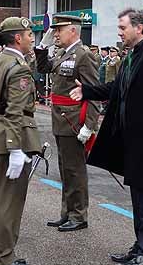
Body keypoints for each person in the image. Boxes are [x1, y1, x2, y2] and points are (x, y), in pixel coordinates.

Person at [69, 8, 143, 265]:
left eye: (122, 28)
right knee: (137, 197)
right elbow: (116, 89)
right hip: (132, 141)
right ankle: (140, 245)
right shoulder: (131, 56)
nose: (119, 33)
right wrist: (86, 91)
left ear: (139, 28)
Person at [0, 17, 42, 265]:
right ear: (18, 38)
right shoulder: (19, 68)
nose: (31, 38)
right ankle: (3, 256)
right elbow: (15, 112)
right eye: (28, 34)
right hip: (11, 137)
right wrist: (15, 148)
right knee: (9, 200)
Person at [34, 14, 100, 232]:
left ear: (73, 30)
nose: (55, 34)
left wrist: (89, 126)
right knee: (65, 168)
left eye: (59, 30)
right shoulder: (63, 53)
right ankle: (67, 212)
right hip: (61, 119)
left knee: (75, 170)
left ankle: (79, 215)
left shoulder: (84, 55)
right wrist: (42, 45)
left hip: (74, 121)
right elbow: (43, 68)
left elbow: (93, 93)